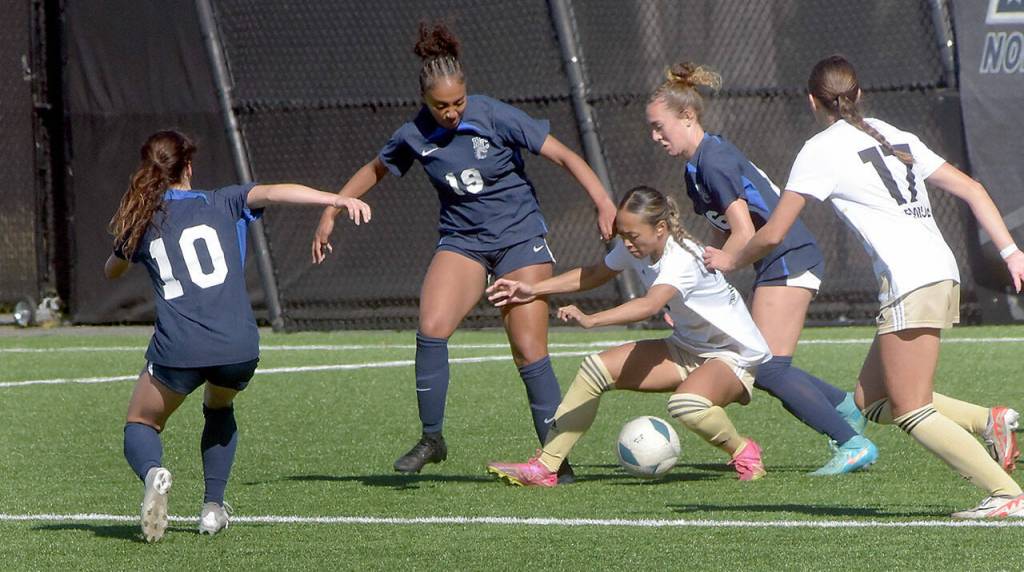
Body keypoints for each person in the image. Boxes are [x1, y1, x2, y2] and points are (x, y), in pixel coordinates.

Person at [704, 55, 1024, 518]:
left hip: (911, 279)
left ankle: (1006, 493)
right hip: (937, 271)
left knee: (911, 409)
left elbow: (773, 232)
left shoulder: (820, 149)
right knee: (871, 401)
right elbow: (974, 188)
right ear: (859, 94)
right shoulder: (895, 134)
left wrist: (730, 258)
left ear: (813, 100)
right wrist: (1011, 251)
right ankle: (987, 422)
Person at [311, 23, 617, 479]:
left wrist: (603, 200)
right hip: (462, 242)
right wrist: (332, 209)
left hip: (519, 239)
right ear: (424, 100)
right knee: (432, 327)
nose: (452, 112)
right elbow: (375, 169)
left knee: (528, 350)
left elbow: (566, 157)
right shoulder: (413, 134)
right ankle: (432, 438)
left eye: (458, 102)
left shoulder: (494, 115)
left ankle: (555, 460)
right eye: (441, 106)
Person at [106, 130, 371, 542]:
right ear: (188, 168)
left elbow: (113, 270)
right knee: (218, 406)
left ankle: (154, 472)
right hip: (238, 346)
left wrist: (121, 256)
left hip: (181, 349)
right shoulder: (223, 200)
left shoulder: (144, 218)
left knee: (141, 422)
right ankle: (213, 508)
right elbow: (277, 192)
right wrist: (334, 199)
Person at [645, 62, 877, 476]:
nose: (655, 137)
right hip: (776, 259)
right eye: (652, 129)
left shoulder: (713, 161)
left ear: (688, 116)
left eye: (661, 127)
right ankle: (843, 407)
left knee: (766, 366)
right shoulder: (695, 167)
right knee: (768, 363)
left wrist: (712, 272)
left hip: (787, 256)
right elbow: (721, 236)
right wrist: (690, 287)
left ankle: (851, 442)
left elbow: (742, 230)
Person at [485, 186, 771, 486]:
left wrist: (592, 319)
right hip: (686, 347)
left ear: (660, 228)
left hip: (733, 355)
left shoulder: (681, 259)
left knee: (686, 404)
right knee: (594, 370)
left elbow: (650, 304)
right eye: (623, 235)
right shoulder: (638, 246)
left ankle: (744, 451)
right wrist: (533, 288)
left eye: (632, 236)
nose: (627, 243)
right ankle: (546, 467)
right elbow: (595, 274)